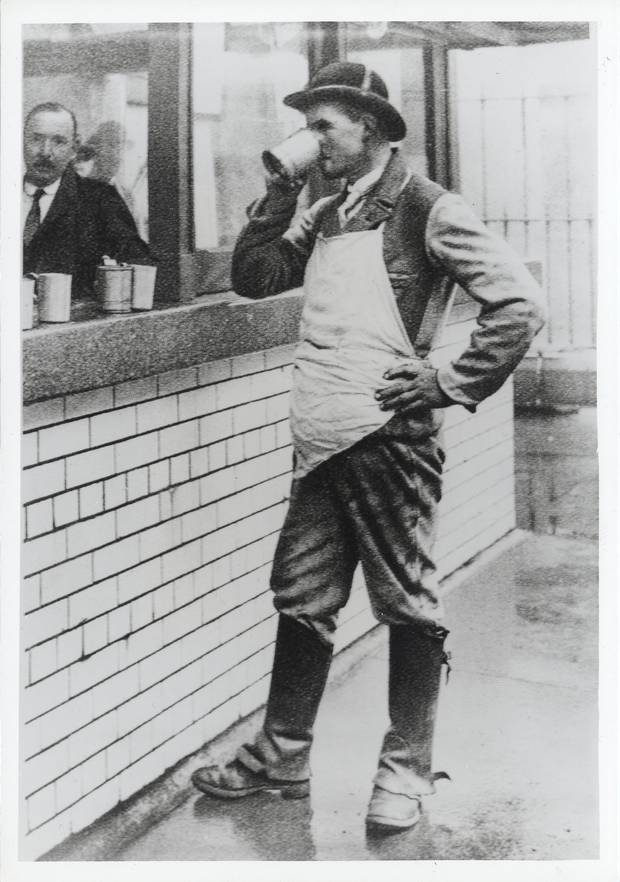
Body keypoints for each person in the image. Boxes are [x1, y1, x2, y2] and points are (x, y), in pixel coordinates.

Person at [191, 62, 545, 832]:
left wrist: (446, 382)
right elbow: (255, 277)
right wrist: (281, 188)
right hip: (321, 442)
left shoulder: (429, 209)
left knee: (407, 604)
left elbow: (519, 306)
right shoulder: (324, 211)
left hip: (390, 441)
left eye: (325, 126)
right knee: (303, 598)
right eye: (310, 125)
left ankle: (405, 772)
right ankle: (280, 755)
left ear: (372, 129)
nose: (312, 139)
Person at [22, 102, 151, 298]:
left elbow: (138, 265)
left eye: (59, 141)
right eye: (36, 139)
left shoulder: (100, 200)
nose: (45, 152)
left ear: (74, 147)